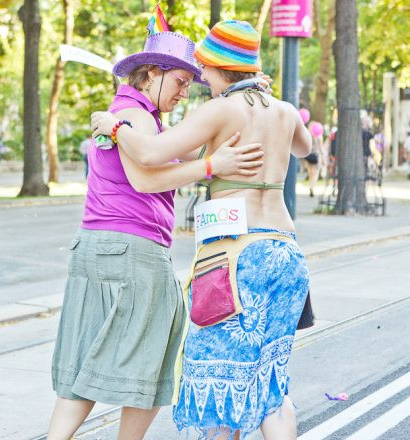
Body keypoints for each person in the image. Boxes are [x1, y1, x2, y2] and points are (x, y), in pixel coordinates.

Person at [91, 20, 311, 440]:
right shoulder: (282, 110)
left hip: (236, 260)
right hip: (286, 254)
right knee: (271, 384)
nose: (199, 79)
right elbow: (305, 147)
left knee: (218, 389)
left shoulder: (220, 110)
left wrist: (116, 126)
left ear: (218, 66)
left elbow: (154, 152)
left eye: (203, 70)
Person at [48, 30, 264, 440]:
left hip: (94, 244)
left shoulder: (126, 113)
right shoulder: (140, 117)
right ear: (150, 74)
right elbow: (146, 177)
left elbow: (185, 150)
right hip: (135, 250)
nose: (185, 91)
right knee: (152, 359)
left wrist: (246, 87)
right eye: (181, 80)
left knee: (83, 362)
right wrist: (213, 166)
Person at [304, 126, 325, 197]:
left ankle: (310, 186)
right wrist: (324, 158)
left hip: (308, 157)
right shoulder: (319, 137)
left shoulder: (308, 136)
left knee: (310, 174)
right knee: (315, 174)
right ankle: (312, 187)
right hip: (316, 157)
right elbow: (321, 149)